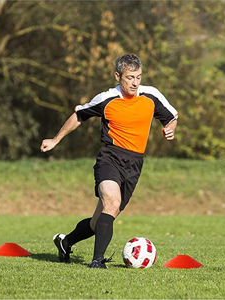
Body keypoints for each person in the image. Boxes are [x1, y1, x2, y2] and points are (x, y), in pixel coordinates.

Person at [40, 54, 178, 269]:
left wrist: (170, 129)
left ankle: (65, 242)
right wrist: (55, 140)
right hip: (110, 158)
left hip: (134, 164)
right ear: (118, 76)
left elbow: (171, 117)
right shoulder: (106, 99)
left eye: (138, 77)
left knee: (99, 221)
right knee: (112, 202)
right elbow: (79, 115)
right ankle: (97, 261)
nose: (135, 82)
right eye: (130, 77)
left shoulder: (151, 96)